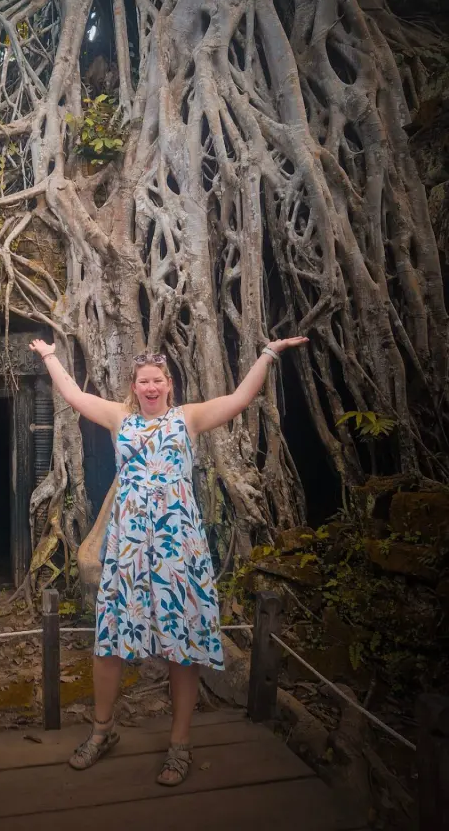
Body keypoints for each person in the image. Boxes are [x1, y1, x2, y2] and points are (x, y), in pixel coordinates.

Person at [28, 335, 308, 786]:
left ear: (169, 385)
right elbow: (75, 396)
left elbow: (239, 397)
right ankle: (102, 731)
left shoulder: (189, 418)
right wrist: (50, 357)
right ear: (134, 387)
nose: (151, 387)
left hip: (179, 546)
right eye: (143, 381)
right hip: (129, 547)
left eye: (158, 380)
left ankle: (179, 745)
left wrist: (269, 354)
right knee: (111, 639)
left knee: (182, 642)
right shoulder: (120, 419)